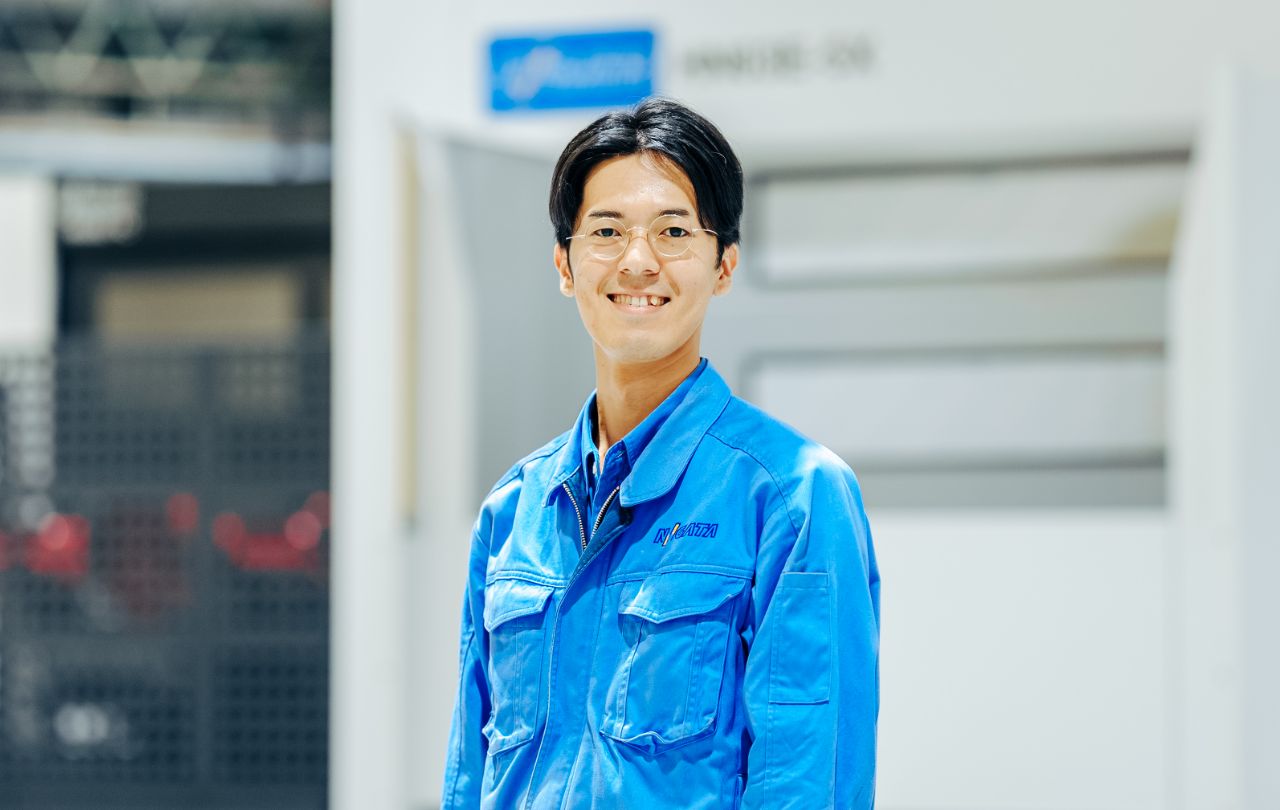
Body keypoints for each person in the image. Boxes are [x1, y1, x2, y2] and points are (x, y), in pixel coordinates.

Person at [442, 97, 880, 809]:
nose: (638, 261)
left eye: (673, 231)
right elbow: (470, 774)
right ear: (564, 264)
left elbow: (808, 784)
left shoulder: (792, 497)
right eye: (606, 231)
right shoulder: (512, 512)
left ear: (724, 264)